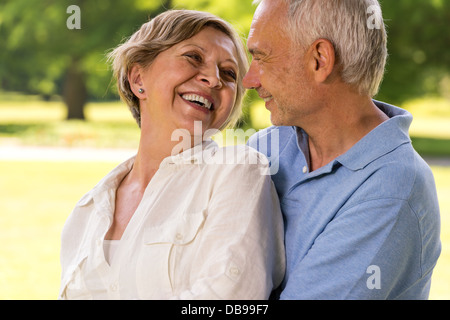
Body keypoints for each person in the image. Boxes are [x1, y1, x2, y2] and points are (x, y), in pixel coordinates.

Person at [59, 9, 285, 300]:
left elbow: (231, 297)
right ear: (138, 77)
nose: (214, 79)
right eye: (194, 57)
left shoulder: (238, 171)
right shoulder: (87, 210)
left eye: (228, 74)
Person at [245, 0, 441, 299]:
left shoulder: (393, 188)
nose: (249, 80)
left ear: (320, 60)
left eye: (261, 57)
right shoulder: (264, 148)